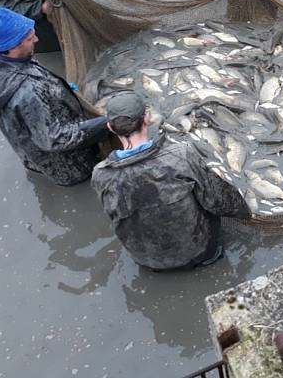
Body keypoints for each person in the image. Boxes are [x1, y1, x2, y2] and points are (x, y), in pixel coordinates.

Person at [91, 92, 250, 271]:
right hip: (198, 253)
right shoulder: (180, 156)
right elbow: (222, 201)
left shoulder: (100, 174)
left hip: (147, 260)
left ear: (110, 127)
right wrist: (247, 214)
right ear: (147, 118)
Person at [0, 7, 108, 186]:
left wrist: (62, 89)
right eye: (29, 38)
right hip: (70, 166)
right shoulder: (26, 91)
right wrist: (105, 123)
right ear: (13, 46)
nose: (36, 39)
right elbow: (55, 139)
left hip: (34, 155)